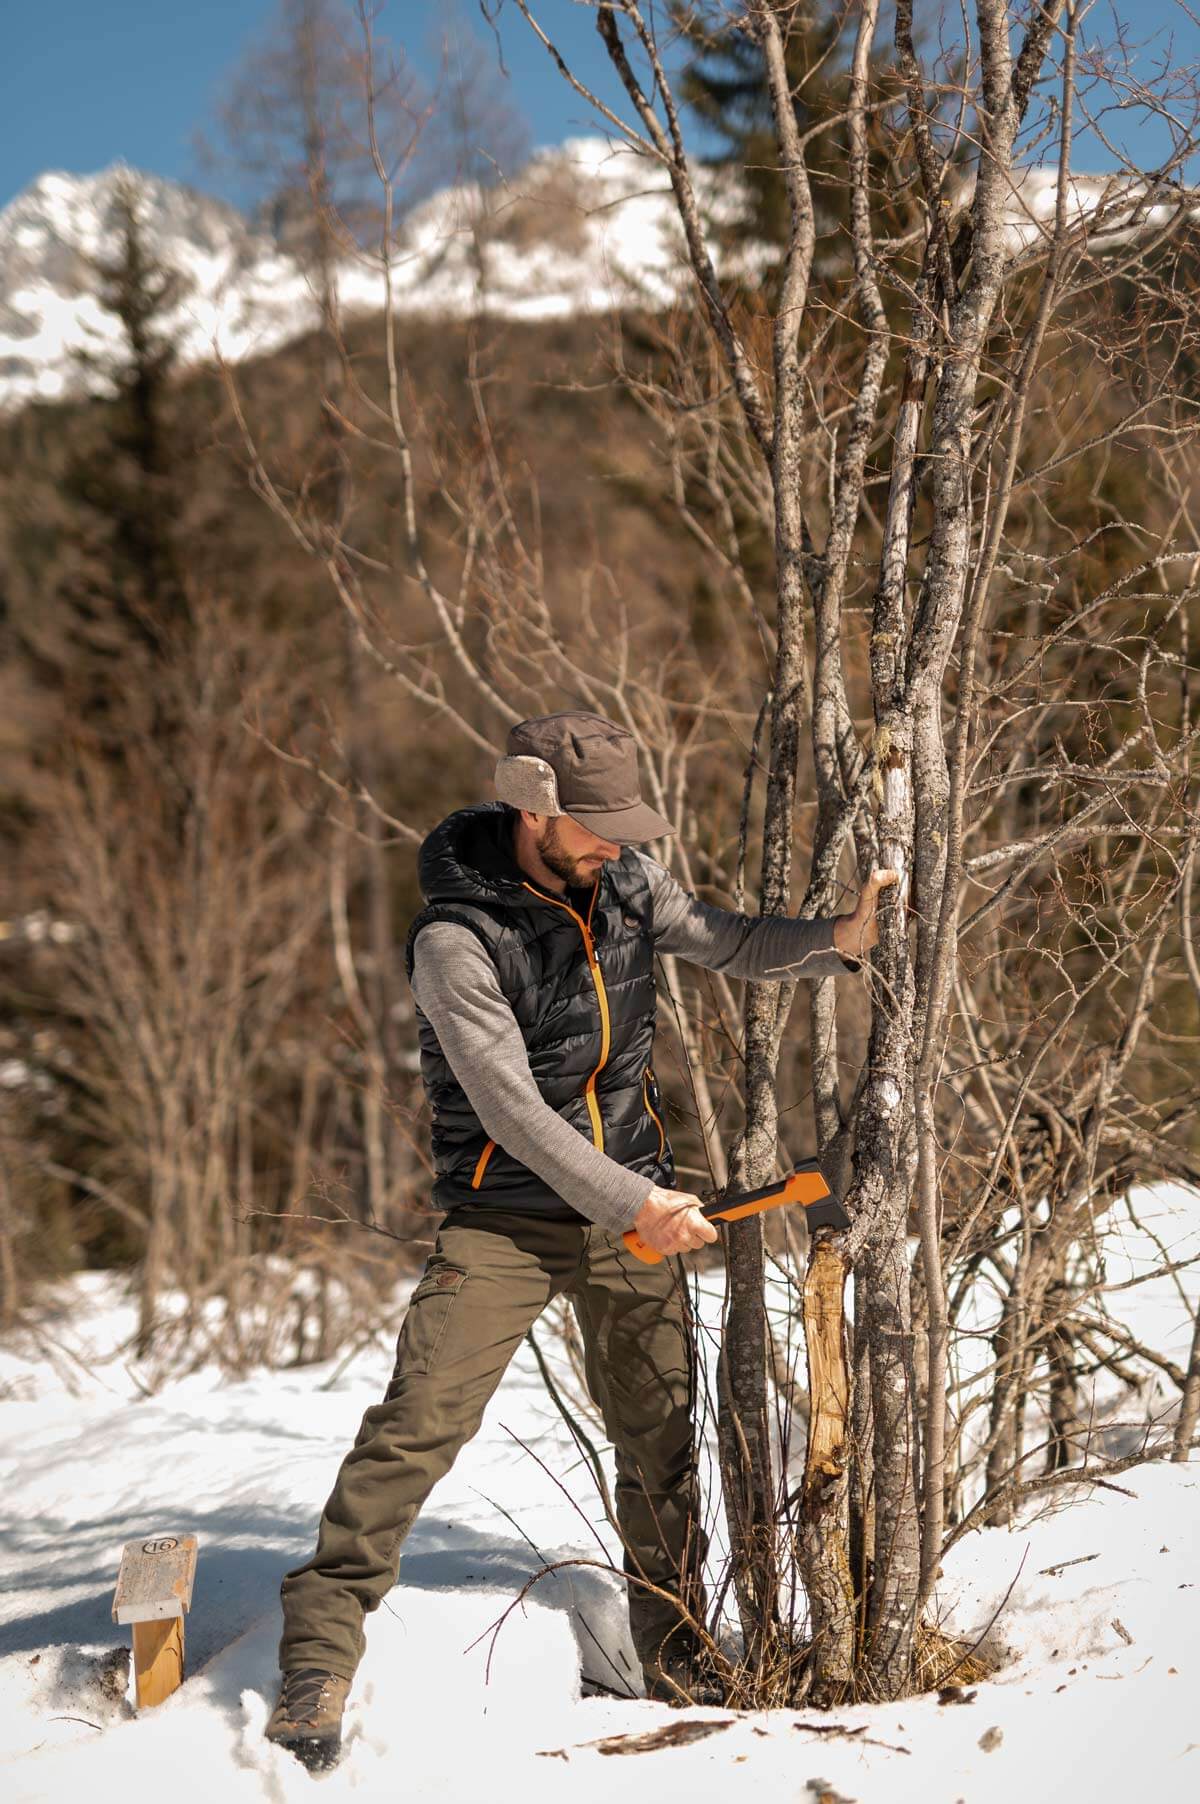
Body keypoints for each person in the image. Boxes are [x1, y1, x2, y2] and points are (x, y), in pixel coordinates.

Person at [266, 709, 896, 1769]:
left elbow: (728, 939)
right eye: (593, 823)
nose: (613, 841)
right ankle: (316, 1653)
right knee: (417, 1426)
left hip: (628, 1207)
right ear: (531, 805)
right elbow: (512, 1110)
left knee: (660, 1440)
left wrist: (837, 940)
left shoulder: (630, 884)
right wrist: (635, 1202)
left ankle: (679, 1652)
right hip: (504, 1219)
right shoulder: (456, 939)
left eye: (621, 822)